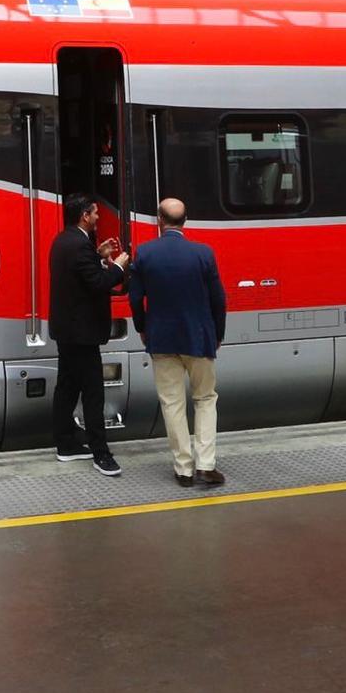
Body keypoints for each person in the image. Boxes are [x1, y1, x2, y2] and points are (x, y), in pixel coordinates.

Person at [128, 198, 229, 490]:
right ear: (186, 220)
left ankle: (183, 469)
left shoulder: (145, 253)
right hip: (199, 337)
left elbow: (135, 298)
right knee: (205, 399)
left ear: (159, 219)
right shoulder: (203, 254)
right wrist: (217, 333)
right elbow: (218, 299)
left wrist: (142, 328)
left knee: (172, 403)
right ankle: (206, 465)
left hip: (162, 338)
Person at [49, 192, 130, 477]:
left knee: (67, 387)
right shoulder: (80, 246)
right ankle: (101, 454)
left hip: (66, 330)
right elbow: (97, 283)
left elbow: (79, 273)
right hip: (82, 333)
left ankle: (65, 444)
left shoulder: (64, 241)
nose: (98, 217)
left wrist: (98, 255)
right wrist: (119, 264)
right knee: (93, 393)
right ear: (85, 215)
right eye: (95, 213)